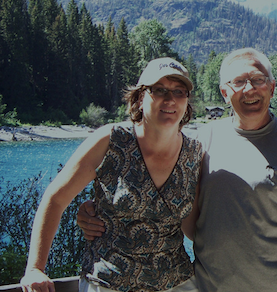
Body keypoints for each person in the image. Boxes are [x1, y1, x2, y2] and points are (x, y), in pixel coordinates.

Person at [79, 48, 277, 292]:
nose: (249, 89)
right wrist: (99, 211)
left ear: (271, 88)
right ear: (224, 92)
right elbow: (160, 185)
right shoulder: (199, 142)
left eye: (258, 80)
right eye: (239, 81)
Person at [22, 58, 203, 292]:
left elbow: (191, 226)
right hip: (108, 285)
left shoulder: (194, 153)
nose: (170, 99)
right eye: (159, 90)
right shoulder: (112, 140)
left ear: (187, 102)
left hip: (177, 285)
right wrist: (35, 268)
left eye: (179, 91)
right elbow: (55, 199)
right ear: (140, 98)